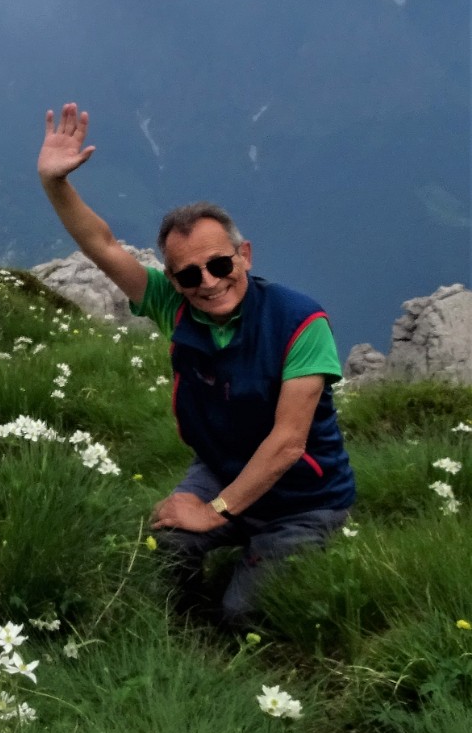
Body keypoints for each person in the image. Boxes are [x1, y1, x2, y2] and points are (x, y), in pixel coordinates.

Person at [37, 102, 355, 629]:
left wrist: (214, 511)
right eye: (188, 275)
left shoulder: (301, 322)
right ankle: (182, 632)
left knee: (244, 611)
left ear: (245, 255)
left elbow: (288, 443)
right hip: (225, 467)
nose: (207, 282)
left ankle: (241, 600)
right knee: (167, 546)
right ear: (174, 280)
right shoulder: (173, 305)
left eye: (220, 264)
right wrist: (56, 185)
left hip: (305, 497)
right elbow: (102, 245)